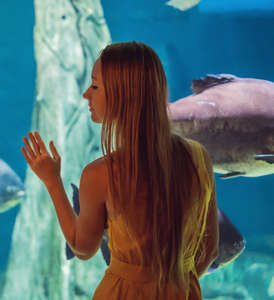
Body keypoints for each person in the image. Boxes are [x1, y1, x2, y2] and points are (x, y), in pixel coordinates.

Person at [21, 41, 218, 299]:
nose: (86, 95)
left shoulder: (99, 174)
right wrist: (173, 282)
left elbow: (83, 247)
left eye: (94, 86)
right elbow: (209, 249)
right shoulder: (198, 157)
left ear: (122, 95)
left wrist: (52, 182)